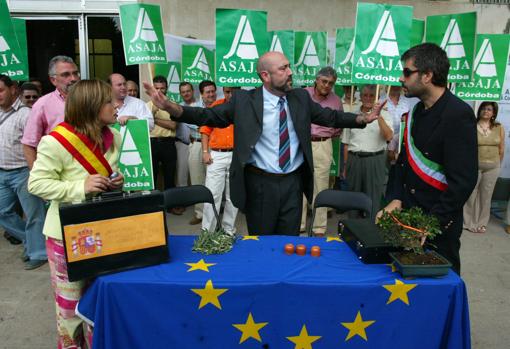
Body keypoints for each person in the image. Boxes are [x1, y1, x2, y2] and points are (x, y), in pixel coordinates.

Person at [144, 51, 384, 236]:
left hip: (293, 183)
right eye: (283, 68)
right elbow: (207, 116)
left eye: (289, 66)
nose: (290, 72)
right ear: (265, 76)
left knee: (288, 241)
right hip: (259, 185)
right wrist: (170, 107)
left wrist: (362, 118)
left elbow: (330, 116)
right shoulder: (244, 101)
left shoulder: (300, 97)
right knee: (262, 243)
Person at [28, 79, 124, 348]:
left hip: (104, 231)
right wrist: (79, 186)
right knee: (70, 308)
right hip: (66, 237)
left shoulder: (112, 136)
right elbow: (36, 184)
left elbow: (108, 173)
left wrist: (117, 180)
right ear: (92, 106)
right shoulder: (55, 142)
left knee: (98, 299)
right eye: (109, 101)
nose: (116, 106)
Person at [381, 43, 478, 274]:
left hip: (436, 230)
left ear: (427, 76)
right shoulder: (416, 112)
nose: (401, 78)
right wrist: (394, 198)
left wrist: (429, 226)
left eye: (407, 72)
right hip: (406, 222)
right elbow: (402, 163)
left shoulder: (458, 114)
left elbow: (462, 182)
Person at [0, 74, 47, 270]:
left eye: (1, 90)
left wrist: (36, 171)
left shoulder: (26, 114)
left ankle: (38, 252)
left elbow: (35, 144)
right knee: (3, 212)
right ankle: (33, 241)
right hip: (2, 172)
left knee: (34, 214)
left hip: (23, 171)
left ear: (13, 89)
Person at [300, 67, 343, 236]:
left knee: (321, 188)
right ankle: (299, 225)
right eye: (324, 81)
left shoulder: (336, 101)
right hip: (302, 143)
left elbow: (338, 127)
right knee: (300, 185)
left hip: (323, 144)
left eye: (331, 83)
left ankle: (319, 228)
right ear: (317, 80)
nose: (327, 85)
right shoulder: (303, 95)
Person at [343, 84, 393, 219]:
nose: (368, 98)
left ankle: (370, 231)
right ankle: (353, 229)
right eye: (365, 95)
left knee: (373, 198)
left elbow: (388, 136)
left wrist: (378, 116)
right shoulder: (353, 114)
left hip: (374, 159)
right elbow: (346, 143)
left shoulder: (386, 114)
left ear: (376, 96)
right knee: (353, 198)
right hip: (354, 159)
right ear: (361, 96)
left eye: (372, 95)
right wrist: (346, 166)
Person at [22, 55, 81, 168]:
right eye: (66, 74)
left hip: (89, 167)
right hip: (57, 168)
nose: (73, 78)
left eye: (75, 73)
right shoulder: (42, 105)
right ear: (53, 80)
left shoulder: (90, 100)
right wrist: (38, 177)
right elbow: (29, 144)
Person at [200, 87, 239, 235]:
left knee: (233, 196)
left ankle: (228, 230)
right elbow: (205, 130)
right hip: (216, 155)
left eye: (233, 91)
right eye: (228, 91)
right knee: (213, 193)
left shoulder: (244, 108)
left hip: (236, 155)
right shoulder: (216, 106)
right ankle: (207, 233)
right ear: (223, 90)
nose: (230, 95)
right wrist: (205, 152)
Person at [463, 102, 504, 234]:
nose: (486, 111)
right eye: (483, 109)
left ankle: (481, 223)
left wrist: (497, 164)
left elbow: (501, 148)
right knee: (471, 194)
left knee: (486, 196)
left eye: (489, 109)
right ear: (479, 111)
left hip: (493, 167)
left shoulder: (499, 127)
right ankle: (467, 222)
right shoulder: (471, 126)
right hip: (475, 166)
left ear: (493, 113)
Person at [148, 75, 180, 214]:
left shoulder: (173, 104)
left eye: (162, 88)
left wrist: (153, 119)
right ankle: (153, 207)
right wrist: (152, 115)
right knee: (152, 177)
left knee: (169, 176)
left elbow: (173, 125)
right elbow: (145, 126)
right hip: (152, 143)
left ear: (166, 88)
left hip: (168, 143)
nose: (159, 91)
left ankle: (171, 206)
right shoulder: (146, 106)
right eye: (156, 88)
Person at [187, 80, 217, 225]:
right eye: (208, 92)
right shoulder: (193, 107)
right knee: (197, 179)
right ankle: (199, 213)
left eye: (213, 91)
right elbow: (192, 125)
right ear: (201, 94)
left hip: (215, 146)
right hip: (197, 145)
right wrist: (212, 122)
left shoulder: (221, 106)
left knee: (214, 181)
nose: (211, 94)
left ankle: (214, 213)